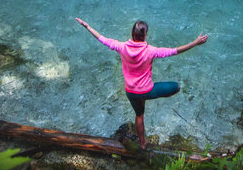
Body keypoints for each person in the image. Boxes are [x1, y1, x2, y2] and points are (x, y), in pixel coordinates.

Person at [75, 17, 208, 149]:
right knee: (176, 87)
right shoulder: (150, 51)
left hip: (131, 92)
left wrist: (87, 27)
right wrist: (195, 43)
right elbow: (175, 51)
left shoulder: (121, 47)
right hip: (147, 91)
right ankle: (146, 99)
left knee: (139, 115)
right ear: (145, 35)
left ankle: (142, 144)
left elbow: (102, 39)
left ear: (132, 34)